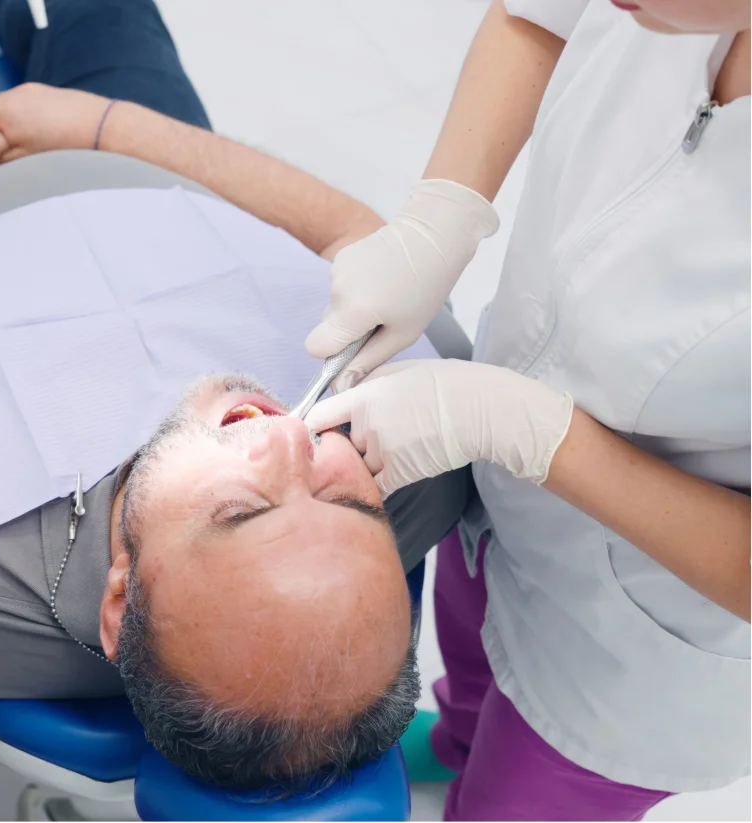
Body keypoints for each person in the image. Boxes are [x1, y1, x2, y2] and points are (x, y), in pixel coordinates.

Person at [0, 0, 473, 792]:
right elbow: (355, 238)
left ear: (122, 596)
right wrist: (104, 125)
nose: (289, 443)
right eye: (350, 505)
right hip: (150, 164)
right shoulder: (418, 443)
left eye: (244, 510)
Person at [290, 0, 750, 820]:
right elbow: (534, 15)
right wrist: (439, 218)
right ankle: (463, 738)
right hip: (495, 500)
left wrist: (526, 429)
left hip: (631, 650)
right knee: (470, 666)